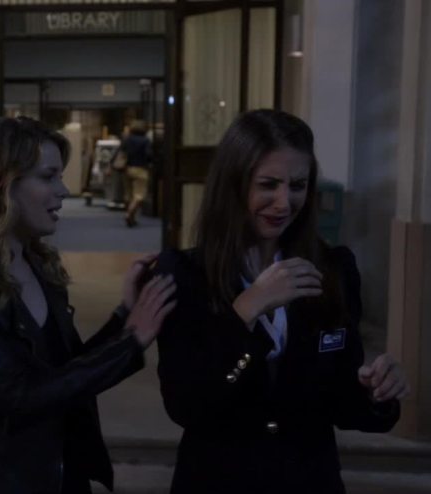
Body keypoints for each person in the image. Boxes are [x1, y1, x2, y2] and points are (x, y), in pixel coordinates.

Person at [155, 109, 410, 493]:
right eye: (268, 184)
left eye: (297, 185)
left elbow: (342, 403)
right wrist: (246, 309)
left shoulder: (333, 269)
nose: (284, 202)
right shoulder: (185, 274)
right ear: (233, 184)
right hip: (218, 479)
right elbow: (186, 405)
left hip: (309, 478)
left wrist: (377, 393)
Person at [0, 116, 177, 494]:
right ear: (0, 183)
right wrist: (130, 342)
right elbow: (20, 394)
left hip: (58, 472)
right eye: (48, 177)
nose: (63, 191)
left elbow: (67, 372)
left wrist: (124, 316)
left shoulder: (37, 263)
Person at [119, 120, 152, 227]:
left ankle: (132, 218)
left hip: (127, 169)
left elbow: (121, 153)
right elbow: (148, 154)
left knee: (128, 195)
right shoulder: (145, 140)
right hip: (140, 169)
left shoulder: (127, 139)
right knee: (139, 195)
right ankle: (129, 214)